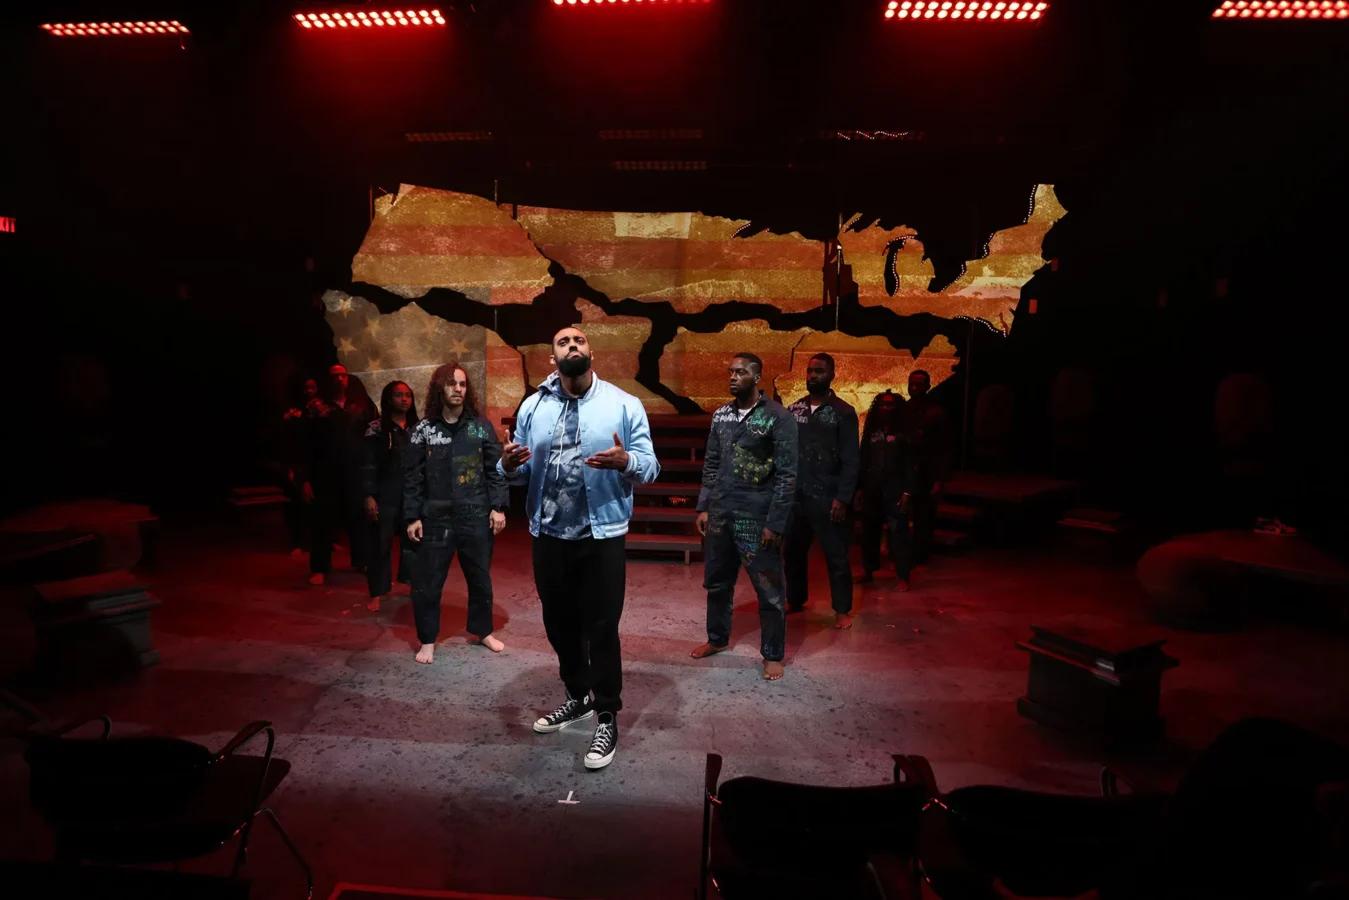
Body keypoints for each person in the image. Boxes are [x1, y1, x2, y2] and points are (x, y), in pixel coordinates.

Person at [501, 327, 659, 771]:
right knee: (559, 625)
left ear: (591, 352)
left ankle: (606, 714)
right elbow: (515, 470)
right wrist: (505, 464)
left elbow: (650, 467)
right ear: (552, 357)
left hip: (601, 534)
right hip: (549, 534)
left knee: (602, 629)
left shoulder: (624, 404)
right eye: (563, 342)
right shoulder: (533, 406)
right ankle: (577, 697)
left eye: (580, 340)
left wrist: (626, 460)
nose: (573, 345)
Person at [691, 353, 798, 681]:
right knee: (718, 582)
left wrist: (775, 523)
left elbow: (787, 474)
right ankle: (717, 639)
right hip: (722, 512)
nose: (733, 377)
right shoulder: (721, 415)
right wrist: (704, 506)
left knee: (768, 588)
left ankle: (773, 654)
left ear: (757, 378)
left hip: (757, 515)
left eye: (741, 372)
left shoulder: (779, 417)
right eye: (731, 372)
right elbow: (710, 462)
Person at [404, 363, 508, 663]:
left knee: (479, 580)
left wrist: (498, 507)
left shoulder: (481, 426)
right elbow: (412, 477)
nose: (458, 389)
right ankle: (427, 640)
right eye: (451, 384)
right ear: (440, 388)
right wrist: (412, 516)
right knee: (428, 583)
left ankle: (483, 631)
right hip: (435, 518)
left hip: (474, 515)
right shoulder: (422, 431)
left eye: (462, 384)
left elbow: (495, 470)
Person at [784, 353, 860, 628]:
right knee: (792, 550)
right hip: (797, 496)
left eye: (818, 371)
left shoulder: (844, 412)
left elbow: (852, 458)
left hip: (828, 497)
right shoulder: (794, 410)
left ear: (831, 375)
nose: (812, 376)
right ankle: (795, 599)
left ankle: (842, 610)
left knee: (836, 554)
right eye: (809, 371)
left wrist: (843, 497)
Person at [300, 364, 375, 586]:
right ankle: (319, 567)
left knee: (359, 517)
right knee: (323, 520)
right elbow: (305, 444)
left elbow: (374, 435)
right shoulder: (316, 407)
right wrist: (304, 478)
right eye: (334, 376)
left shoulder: (361, 405)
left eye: (343, 375)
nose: (339, 379)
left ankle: (362, 561)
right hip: (325, 473)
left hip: (356, 470)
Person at [360, 381, 418, 613]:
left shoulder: (418, 428)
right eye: (398, 395)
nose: (404, 399)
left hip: (412, 494)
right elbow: (367, 464)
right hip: (385, 493)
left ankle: (413, 584)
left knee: (414, 541)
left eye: (408, 395)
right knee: (379, 545)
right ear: (388, 399)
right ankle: (377, 592)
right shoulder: (375, 428)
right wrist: (368, 495)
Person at [856, 390, 914, 590]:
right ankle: (868, 570)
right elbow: (864, 459)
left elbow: (911, 462)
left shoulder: (904, 432)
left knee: (899, 531)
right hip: (873, 486)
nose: (886, 408)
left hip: (895, 487)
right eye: (882, 404)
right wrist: (860, 487)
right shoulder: (872, 430)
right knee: (869, 530)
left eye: (890, 404)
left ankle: (903, 576)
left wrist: (908, 491)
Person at [899, 369, 953, 567]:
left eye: (919, 384)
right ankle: (904, 552)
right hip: (905, 470)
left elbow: (944, 447)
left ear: (927, 386)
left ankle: (921, 554)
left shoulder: (936, 413)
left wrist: (940, 479)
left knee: (924, 515)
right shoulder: (902, 410)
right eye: (911, 383)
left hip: (926, 471)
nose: (914, 388)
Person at [281, 376, 319, 558]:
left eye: (312, 388)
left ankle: (321, 541)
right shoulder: (293, 411)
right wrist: (290, 467)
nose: (309, 391)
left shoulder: (321, 408)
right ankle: (297, 541)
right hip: (298, 461)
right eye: (306, 388)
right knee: (296, 503)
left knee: (318, 503)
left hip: (317, 461)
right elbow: (288, 442)